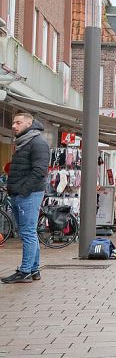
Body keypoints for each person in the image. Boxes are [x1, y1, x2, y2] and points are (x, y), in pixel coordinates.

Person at [2, 112, 50, 284]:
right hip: (20, 193)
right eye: (14, 122)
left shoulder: (37, 143)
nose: (14, 126)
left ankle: (25, 272)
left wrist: (23, 190)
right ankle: (33, 269)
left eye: (18, 123)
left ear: (29, 124)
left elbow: (39, 171)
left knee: (28, 232)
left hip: (28, 194)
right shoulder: (24, 142)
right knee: (29, 232)